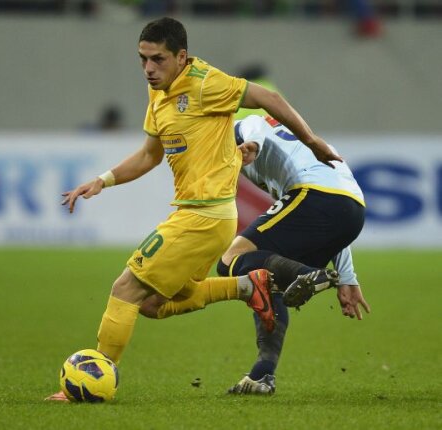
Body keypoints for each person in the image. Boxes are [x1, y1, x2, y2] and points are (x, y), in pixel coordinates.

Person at [46, 17, 339, 401]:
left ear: (181, 57)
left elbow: (270, 99)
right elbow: (150, 155)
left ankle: (93, 381)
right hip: (201, 215)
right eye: (143, 59)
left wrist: (313, 142)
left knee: (126, 289)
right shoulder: (158, 92)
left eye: (158, 59)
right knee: (154, 304)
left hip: (203, 216)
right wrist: (104, 180)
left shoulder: (205, 83)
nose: (149, 68)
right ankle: (249, 285)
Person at [215, 114, 370, 394]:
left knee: (229, 261)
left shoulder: (240, 132)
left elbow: (255, 122)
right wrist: (347, 277)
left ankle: (307, 274)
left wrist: (252, 143)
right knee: (266, 278)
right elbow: (334, 221)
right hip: (352, 211)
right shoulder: (292, 146)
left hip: (315, 195)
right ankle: (262, 375)